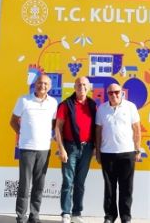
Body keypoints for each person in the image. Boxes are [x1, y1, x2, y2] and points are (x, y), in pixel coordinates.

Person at [10, 74, 58, 223]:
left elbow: (55, 123)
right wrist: (22, 133)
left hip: (44, 148)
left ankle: (34, 215)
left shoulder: (53, 103)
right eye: (39, 83)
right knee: (24, 184)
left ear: (49, 87)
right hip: (27, 148)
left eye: (45, 84)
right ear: (34, 84)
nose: (42, 86)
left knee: (39, 184)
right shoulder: (24, 100)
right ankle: (21, 216)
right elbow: (13, 121)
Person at [95, 83, 142, 223]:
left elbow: (137, 129)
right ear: (107, 94)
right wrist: (97, 151)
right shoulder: (102, 109)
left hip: (127, 153)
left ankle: (126, 217)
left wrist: (137, 149)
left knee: (126, 188)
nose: (114, 95)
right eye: (110, 93)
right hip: (107, 153)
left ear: (122, 93)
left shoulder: (130, 107)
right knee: (109, 188)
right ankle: (109, 216)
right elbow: (98, 132)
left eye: (116, 92)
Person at [54, 76, 97, 223]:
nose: (82, 87)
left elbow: (96, 129)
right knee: (68, 181)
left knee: (80, 182)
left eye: (85, 85)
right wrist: (61, 149)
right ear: (74, 87)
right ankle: (66, 213)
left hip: (87, 148)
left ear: (89, 87)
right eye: (79, 84)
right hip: (70, 147)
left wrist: (96, 148)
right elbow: (58, 128)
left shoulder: (93, 105)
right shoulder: (66, 105)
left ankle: (76, 213)